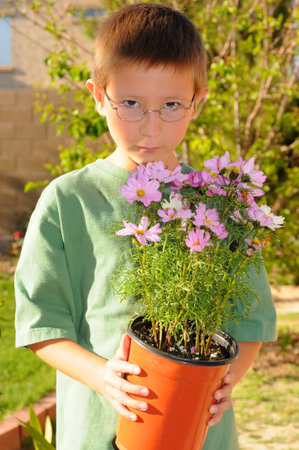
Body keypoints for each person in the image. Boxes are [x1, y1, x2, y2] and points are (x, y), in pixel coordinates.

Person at [15, 3, 276, 449]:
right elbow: (41, 323)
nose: (150, 127)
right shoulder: (68, 200)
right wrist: (103, 377)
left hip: (201, 431)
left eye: (171, 105)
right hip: (99, 427)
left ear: (198, 101)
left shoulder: (222, 204)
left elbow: (249, 323)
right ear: (98, 96)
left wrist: (227, 379)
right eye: (130, 103)